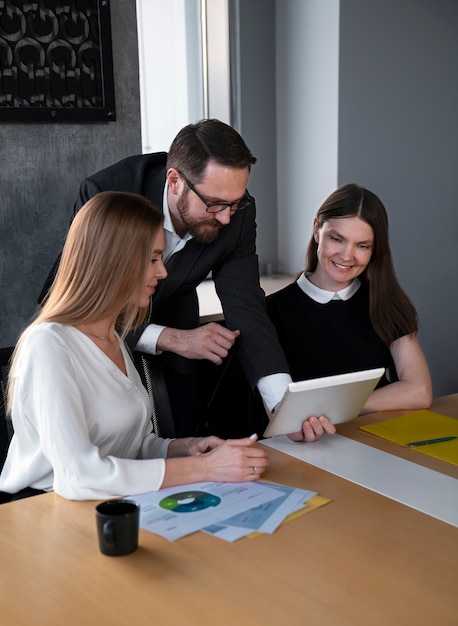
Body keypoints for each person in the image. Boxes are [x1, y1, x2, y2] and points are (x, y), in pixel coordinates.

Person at [0, 192, 269, 501]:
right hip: (40, 510)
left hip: (108, 503)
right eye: (153, 259)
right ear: (112, 261)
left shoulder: (112, 337)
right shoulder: (48, 345)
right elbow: (78, 476)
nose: (163, 272)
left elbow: (133, 447)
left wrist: (185, 449)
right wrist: (207, 468)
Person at [39, 119, 296, 438]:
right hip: (99, 344)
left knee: (177, 446)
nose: (226, 217)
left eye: (234, 203)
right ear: (174, 181)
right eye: (214, 204)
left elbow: (247, 307)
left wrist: (283, 405)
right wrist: (169, 337)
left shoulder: (237, 212)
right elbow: (74, 300)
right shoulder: (109, 195)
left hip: (177, 353)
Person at [264, 183, 432, 442]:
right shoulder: (273, 311)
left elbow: (419, 390)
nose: (347, 256)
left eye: (362, 246)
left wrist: (337, 408)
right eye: (337, 239)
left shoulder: (386, 301)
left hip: (375, 441)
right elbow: (278, 413)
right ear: (317, 229)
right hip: (306, 447)